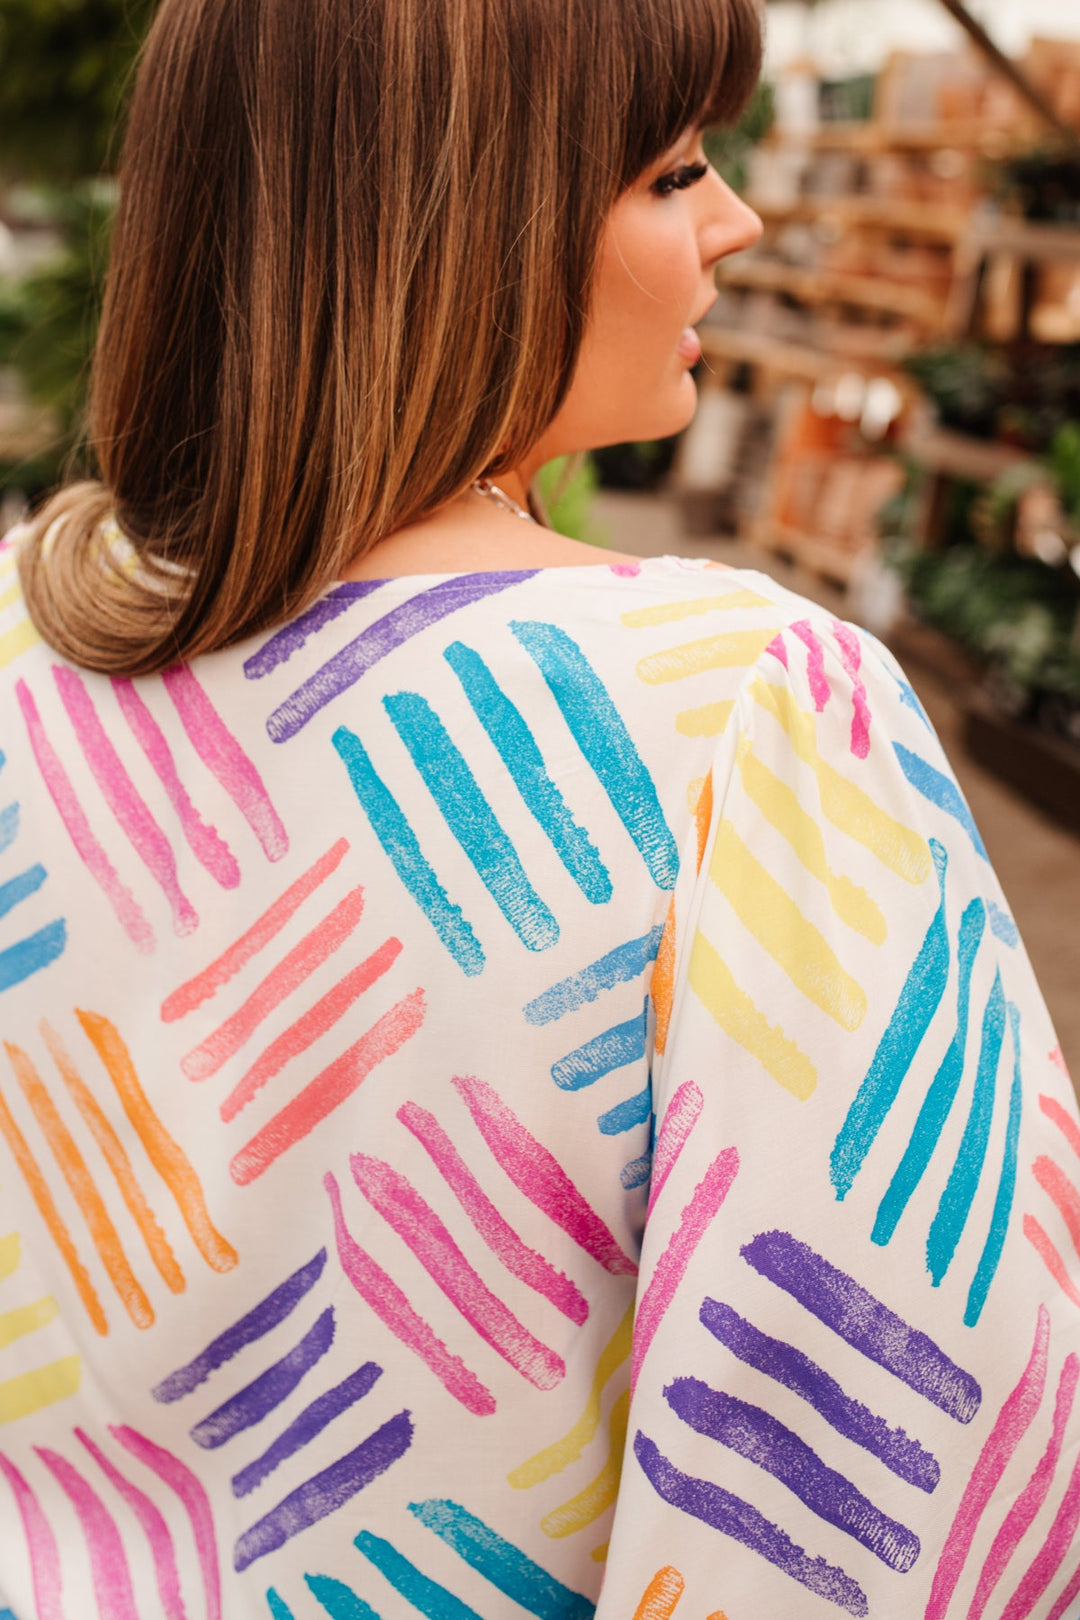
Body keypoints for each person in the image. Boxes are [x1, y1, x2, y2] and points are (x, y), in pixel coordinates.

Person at [1, 0, 1078, 1615]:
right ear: (466, 221)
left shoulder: (27, 640)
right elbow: (891, 1443)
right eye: (674, 172)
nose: (737, 219)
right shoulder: (743, 712)